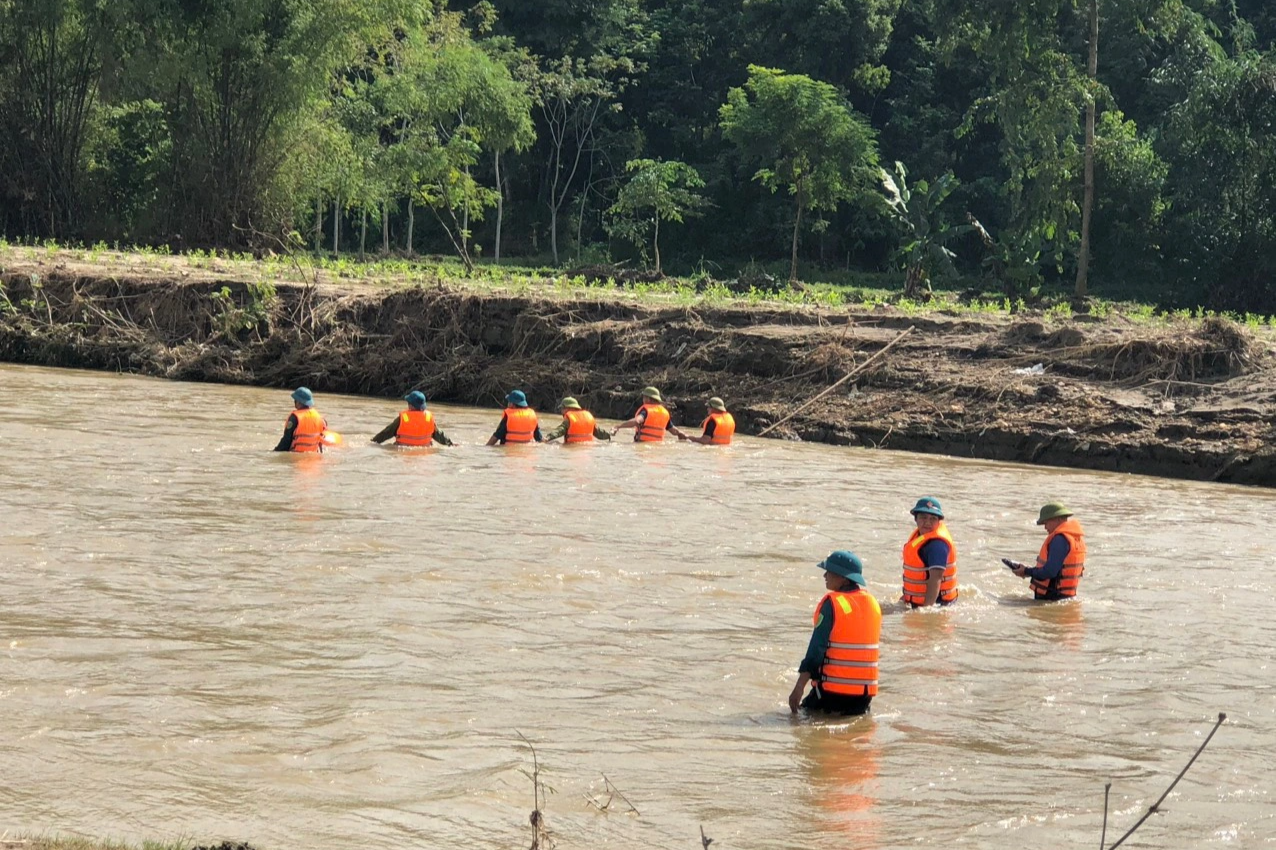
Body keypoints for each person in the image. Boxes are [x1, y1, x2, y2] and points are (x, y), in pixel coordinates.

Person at [789, 550, 882, 716]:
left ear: (844, 578)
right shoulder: (873, 603)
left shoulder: (832, 604)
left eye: (829, 572)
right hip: (863, 697)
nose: (825, 575)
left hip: (831, 694)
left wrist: (798, 688)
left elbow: (816, 650)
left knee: (792, 721)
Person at [1008, 502, 1087, 600]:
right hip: (1066, 598)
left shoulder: (1059, 539)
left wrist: (1026, 571)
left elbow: (1050, 572)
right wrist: (1026, 572)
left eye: (1046, 523)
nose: (1045, 527)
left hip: (1051, 598)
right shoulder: (1075, 539)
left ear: (1058, 519)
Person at [900, 496, 958, 608]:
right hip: (917, 602)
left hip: (939, 605)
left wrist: (925, 611)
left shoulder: (937, 546)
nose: (928, 522)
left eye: (933, 518)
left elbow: (936, 579)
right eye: (923, 517)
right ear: (915, 519)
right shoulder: (920, 537)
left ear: (938, 521)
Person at [370, 391, 454, 447]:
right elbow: (439, 435)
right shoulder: (429, 418)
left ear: (411, 406)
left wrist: (372, 442)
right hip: (424, 452)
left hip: (403, 449)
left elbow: (386, 433)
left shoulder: (403, 418)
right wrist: (451, 444)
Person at [611, 386, 690, 442]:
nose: (643, 400)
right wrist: (680, 433)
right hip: (658, 447)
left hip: (642, 445)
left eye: (644, 397)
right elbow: (673, 431)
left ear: (648, 399)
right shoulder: (664, 413)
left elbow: (636, 421)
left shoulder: (646, 410)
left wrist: (618, 426)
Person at [274, 387, 327, 452]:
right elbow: (322, 438)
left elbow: (286, 440)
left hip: (295, 457)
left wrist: (275, 451)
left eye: (295, 400)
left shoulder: (294, 417)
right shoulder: (320, 418)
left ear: (298, 402)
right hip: (313, 458)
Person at [543, 397, 611, 444]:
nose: (561, 411)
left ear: (568, 408)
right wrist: (608, 435)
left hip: (572, 447)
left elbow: (559, 431)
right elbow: (599, 433)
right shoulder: (588, 416)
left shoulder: (570, 418)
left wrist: (548, 437)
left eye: (562, 409)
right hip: (588, 450)